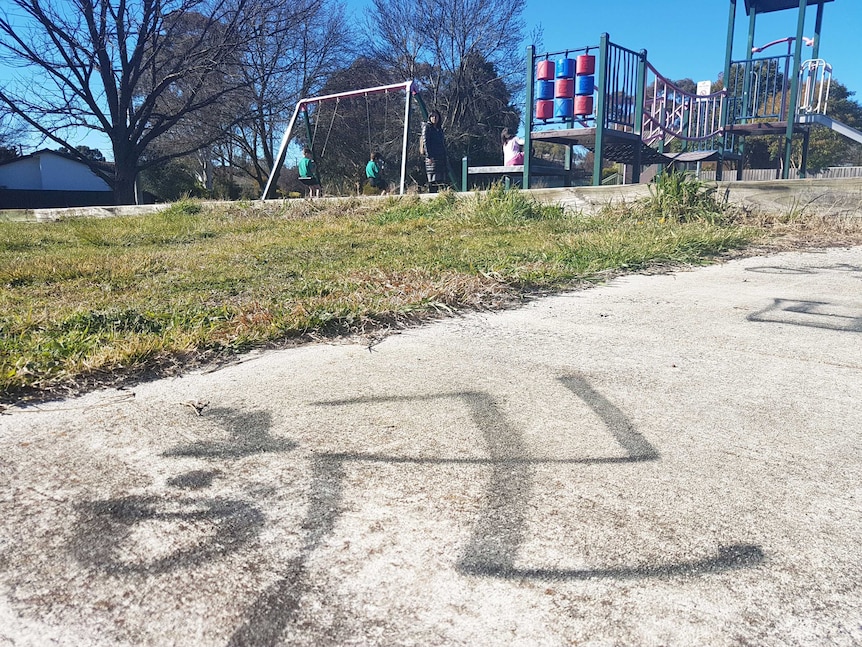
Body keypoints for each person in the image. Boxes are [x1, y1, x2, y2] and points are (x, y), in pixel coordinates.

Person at [419, 109, 448, 192]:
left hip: (441, 157)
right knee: (433, 179)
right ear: (429, 117)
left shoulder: (439, 129)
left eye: (436, 116)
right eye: (432, 116)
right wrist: (429, 156)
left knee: (441, 180)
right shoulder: (427, 127)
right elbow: (426, 142)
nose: (434, 118)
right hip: (432, 158)